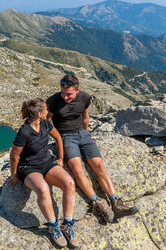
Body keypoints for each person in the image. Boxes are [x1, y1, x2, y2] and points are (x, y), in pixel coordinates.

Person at [46, 75, 138, 223]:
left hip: (83, 134)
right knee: (77, 169)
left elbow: (85, 117)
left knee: (99, 165)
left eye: (69, 94)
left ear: (78, 90)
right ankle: (97, 203)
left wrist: (86, 133)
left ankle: (115, 203)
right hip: (66, 137)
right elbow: (47, 122)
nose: (65, 97)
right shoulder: (53, 101)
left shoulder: (84, 97)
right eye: (62, 93)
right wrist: (57, 139)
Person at [7, 98, 79, 248]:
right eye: (46, 110)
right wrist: (14, 176)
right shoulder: (24, 132)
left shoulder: (46, 123)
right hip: (28, 167)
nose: (48, 111)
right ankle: (53, 226)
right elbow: (14, 155)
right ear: (39, 114)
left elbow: (58, 137)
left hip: (46, 162)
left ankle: (67, 223)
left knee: (69, 183)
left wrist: (60, 158)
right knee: (43, 189)